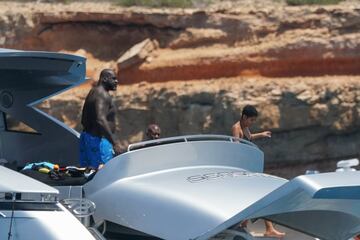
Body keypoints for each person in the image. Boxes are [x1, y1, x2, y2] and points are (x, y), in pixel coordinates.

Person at [232, 105, 285, 239]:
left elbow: (249, 138)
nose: (252, 123)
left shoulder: (245, 127)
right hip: (242, 170)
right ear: (244, 117)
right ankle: (243, 224)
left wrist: (261, 134)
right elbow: (235, 149)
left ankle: (268, 228)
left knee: (262, 194)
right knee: (252, 197)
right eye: (251, 120)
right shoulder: (236, 128)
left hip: (249, 168)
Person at [79, 69, 122, 170]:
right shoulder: (102, 94)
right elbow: (100, 119)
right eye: (113, 79)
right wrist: (114, 143)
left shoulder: (93, 91)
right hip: (99, 142)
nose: (116, 81)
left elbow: (84, 119)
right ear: (105, 79)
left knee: (90, 173)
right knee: (103, 175)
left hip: (88, 138)